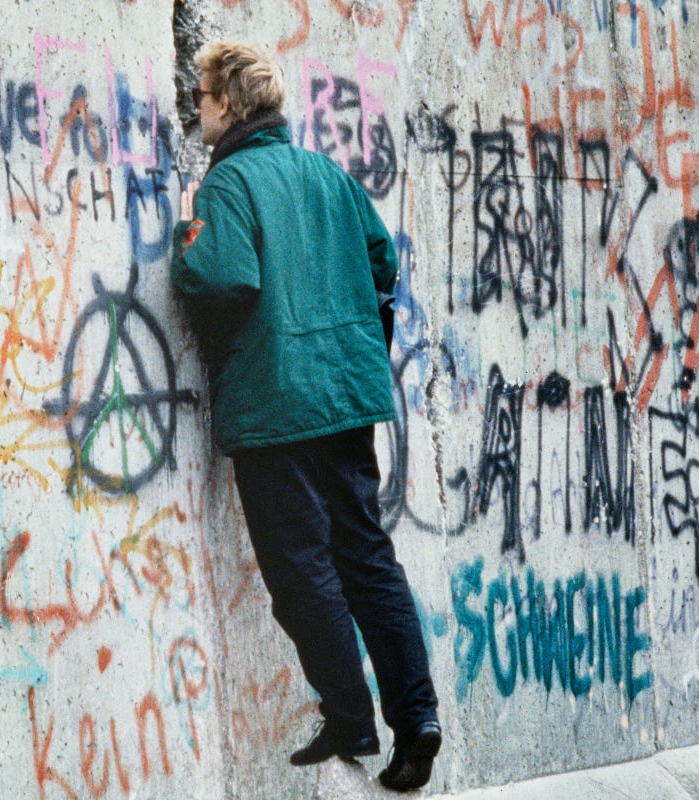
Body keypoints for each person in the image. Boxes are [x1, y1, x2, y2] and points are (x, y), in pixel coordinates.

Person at [169, 41, 440, 792]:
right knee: (366, 555)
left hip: (277, 402)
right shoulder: (329, 175)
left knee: (299, 567)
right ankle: (416, 717)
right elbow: (382, 263)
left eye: (203, 99)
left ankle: (350, 715)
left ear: (227, 104)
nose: (198, 112)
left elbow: (222, 275)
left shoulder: (228, 184)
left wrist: (187, 234)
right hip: (346, 397)